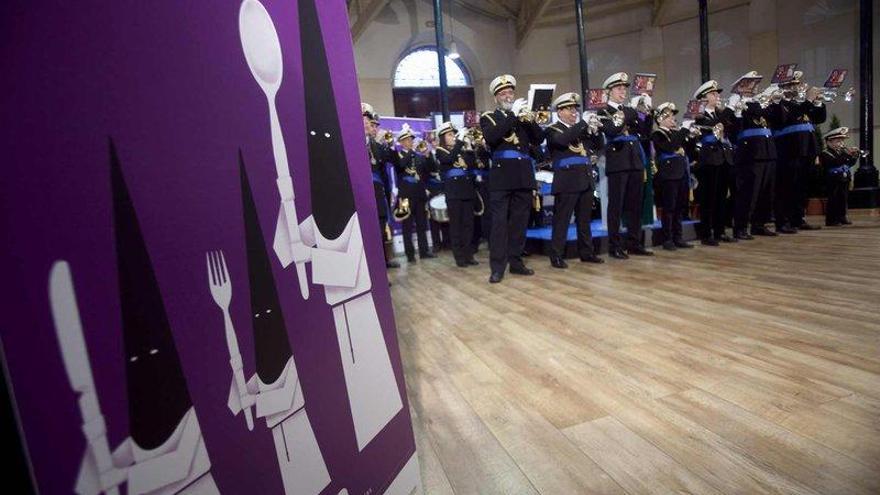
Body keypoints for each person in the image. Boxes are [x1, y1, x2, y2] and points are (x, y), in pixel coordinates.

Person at [480, 74, 544, 283]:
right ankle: (497, 267)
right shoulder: (489, 117)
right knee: (499, 224)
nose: (508, 96)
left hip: (523, 174)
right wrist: (513, 116)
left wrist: (531, 120)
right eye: (503, 94)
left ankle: (516, 263)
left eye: (510, 93)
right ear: (496, 98)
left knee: (519, 222)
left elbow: (539, 139)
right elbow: (492, 137)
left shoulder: (522, 118)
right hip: (502, 176)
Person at [544, 92, 605, 268]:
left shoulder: (580, 129)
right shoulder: (552, 130)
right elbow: (563, 141)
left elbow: (599, 146)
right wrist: (583, 124)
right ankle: (556, 255)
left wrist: (595, 131)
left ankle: (587, 252)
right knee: (562, 220)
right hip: (567, 181)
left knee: (585, 220)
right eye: (569, 109)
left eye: (575, 109)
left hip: (585, 178)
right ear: (559, 112)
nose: (573, 113)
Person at [598, 72, 654, 259]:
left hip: (635, 160)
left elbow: (645, 133)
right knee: (617, 206)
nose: (623, 91)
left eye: (624, 88)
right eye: (619, 88)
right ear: (609, 91)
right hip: (618, 162)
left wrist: (648, 112)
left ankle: (634, 242)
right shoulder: (602, 111)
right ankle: (615, 245)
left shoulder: (629, 110)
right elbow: (612, 131)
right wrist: (631, 111)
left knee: (635, 205)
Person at [729, 71, 784, 239]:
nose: (755, 87)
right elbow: (737, 127)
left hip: (768, 151)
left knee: (766, 193)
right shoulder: (738, 104)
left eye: (756, 83)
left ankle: (759, 224)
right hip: (751, 153)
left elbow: (779, 120)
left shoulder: (759, 104)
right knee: (748, 193)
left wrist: (775, 103)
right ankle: (740, 227)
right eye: (750, 83)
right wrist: (761, 102)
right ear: (740, 86)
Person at [773, 70, 827, 233]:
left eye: (797, 85)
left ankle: (798, 218)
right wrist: (809, 100)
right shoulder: (779, 104)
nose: (796, 88)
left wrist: (818, 103)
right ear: (783, 87)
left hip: (807, 149)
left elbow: (819, 118)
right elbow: (788, 118)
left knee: (802, 187)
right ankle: (783, 221)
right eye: (791, 85)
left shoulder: (800, 103)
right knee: (787, 187)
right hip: (789, 149)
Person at [692, 80, 738, 245]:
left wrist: (736, 113)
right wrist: (730, 109)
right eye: (713, 94)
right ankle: (706, 234)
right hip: (709, 160)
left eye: (717, 93)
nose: (717, 96)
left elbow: (732, 129)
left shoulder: (719, 113)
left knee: (721, 198)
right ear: (703, 98)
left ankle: (719, 231)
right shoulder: (699, 116)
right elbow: (713, 127)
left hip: (723, 158)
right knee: (708, 199)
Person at [435, 121, 480, 267]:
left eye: (453, 134)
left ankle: (469, 255)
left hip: (466, 190)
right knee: (456, 225)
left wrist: (469, 147)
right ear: (442, 137)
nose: (453, 137)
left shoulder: (460, 149)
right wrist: (460, 143)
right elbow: (449, 159)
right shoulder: (440, 150)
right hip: (453, 192)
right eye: (449, 135)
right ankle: (459, 256)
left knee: (468, 224)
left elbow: (471, 164)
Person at [651, 102, 695, 250]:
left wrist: (690, 135)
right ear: (659, 119)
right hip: (668, 175)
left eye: (672, 116)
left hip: (681, 172)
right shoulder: (657, 134)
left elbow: (687, 148)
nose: (672, 119)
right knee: (669, 208)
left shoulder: (675, 133)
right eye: (668, 116)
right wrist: (683, 130)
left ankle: (678, 236)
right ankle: (667, 238)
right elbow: (670, 147)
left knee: (679, 208)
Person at [362, 102, 400, 267]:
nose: (366, 124)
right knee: (367, 232)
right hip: (361, 193)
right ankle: (373, 268)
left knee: (380, 228)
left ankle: (382, 264)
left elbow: (395, 161)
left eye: (368, 122)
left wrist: (390, 145)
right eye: (363, 121)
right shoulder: (351, 145)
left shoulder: (377, 146)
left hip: (377, 193)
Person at [393, 125, 437, 262]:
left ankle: (424, 251)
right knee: (407, 225)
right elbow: (401, 166)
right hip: (405, 195)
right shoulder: (398, 155)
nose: (410, 142)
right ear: (401, 142)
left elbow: (431, 169)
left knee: (421, 223)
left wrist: (427, 155)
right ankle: (410, 255)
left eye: (411, 139)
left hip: (419, 193)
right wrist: (411, 152)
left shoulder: (418, 156)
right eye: (406, 140)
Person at [820, 127, 856, 226]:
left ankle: (842, 216)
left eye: (842, 141)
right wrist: (847, 155)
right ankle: (832, 220)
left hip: (844, 178)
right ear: (829, 142)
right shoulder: (825, 153)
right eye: (838, 141)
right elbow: (835, 162)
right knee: (834, 199)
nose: (841, 143)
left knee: (843, 199)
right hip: (833, 178)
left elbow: (849, 163)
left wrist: (854, 156)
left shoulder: (842, 152)